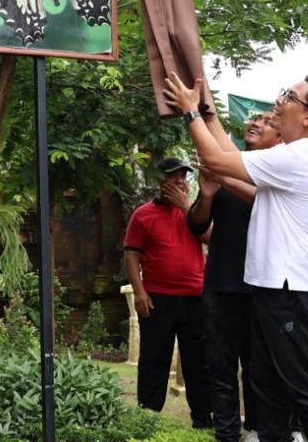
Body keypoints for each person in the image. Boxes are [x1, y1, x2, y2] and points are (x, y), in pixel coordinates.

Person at [164, 74, 308, 442]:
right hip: (268, 288)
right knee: (266, 388)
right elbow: (228, 159)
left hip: (290, 290)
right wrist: (207, 113)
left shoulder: (300, 156)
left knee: (302, 387)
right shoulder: (285, 155)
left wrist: (190, 113)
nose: (280, 101)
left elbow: (215, 159)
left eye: (290, 96)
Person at [187, 112, 283, 442]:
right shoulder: (225, 166)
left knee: (260, 367)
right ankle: (227, 433)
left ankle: (256, 429)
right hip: (221, 284)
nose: (256, 123)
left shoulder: (279, 174)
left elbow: (266, 208)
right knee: (220, 364)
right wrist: (208, 194)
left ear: (281, 137)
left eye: (268, 122)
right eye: (255, 118)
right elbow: (197, 225)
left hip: (263, 286)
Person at [124, 157, 212, 428]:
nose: (179, 181)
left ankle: (202, 419)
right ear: (159, 181)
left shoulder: (195, 212)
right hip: (157, 297)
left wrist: (187, 208)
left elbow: (210, 237)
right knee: (154, 358)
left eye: (183, 177)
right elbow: (131, 255)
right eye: (173, 177)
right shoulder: (143, 214)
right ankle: (148, 416)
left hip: (195, 297)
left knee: (198, 360)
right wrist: (139, 292)